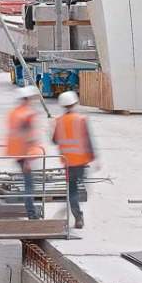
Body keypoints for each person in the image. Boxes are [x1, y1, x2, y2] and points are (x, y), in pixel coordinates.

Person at [50, 91, 96, 229]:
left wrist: (51, 127)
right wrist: (94, 158)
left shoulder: (59, 121)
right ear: (74, 103)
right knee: (85, 189)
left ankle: (77, 216)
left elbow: (54, 141)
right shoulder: (81, 119)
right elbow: (88, 140)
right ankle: (78, 215)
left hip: (68, 162)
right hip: (81, 161)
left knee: (73, 191)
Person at [2, 85, 46, 220]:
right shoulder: (28, 115)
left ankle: (31, 212)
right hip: (26, 155)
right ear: (27, 99)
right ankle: (32, 214)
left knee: (29, 184)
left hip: (17, 153)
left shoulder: (14, 113)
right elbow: (28, 138)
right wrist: (27, 160)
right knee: (29, 186)